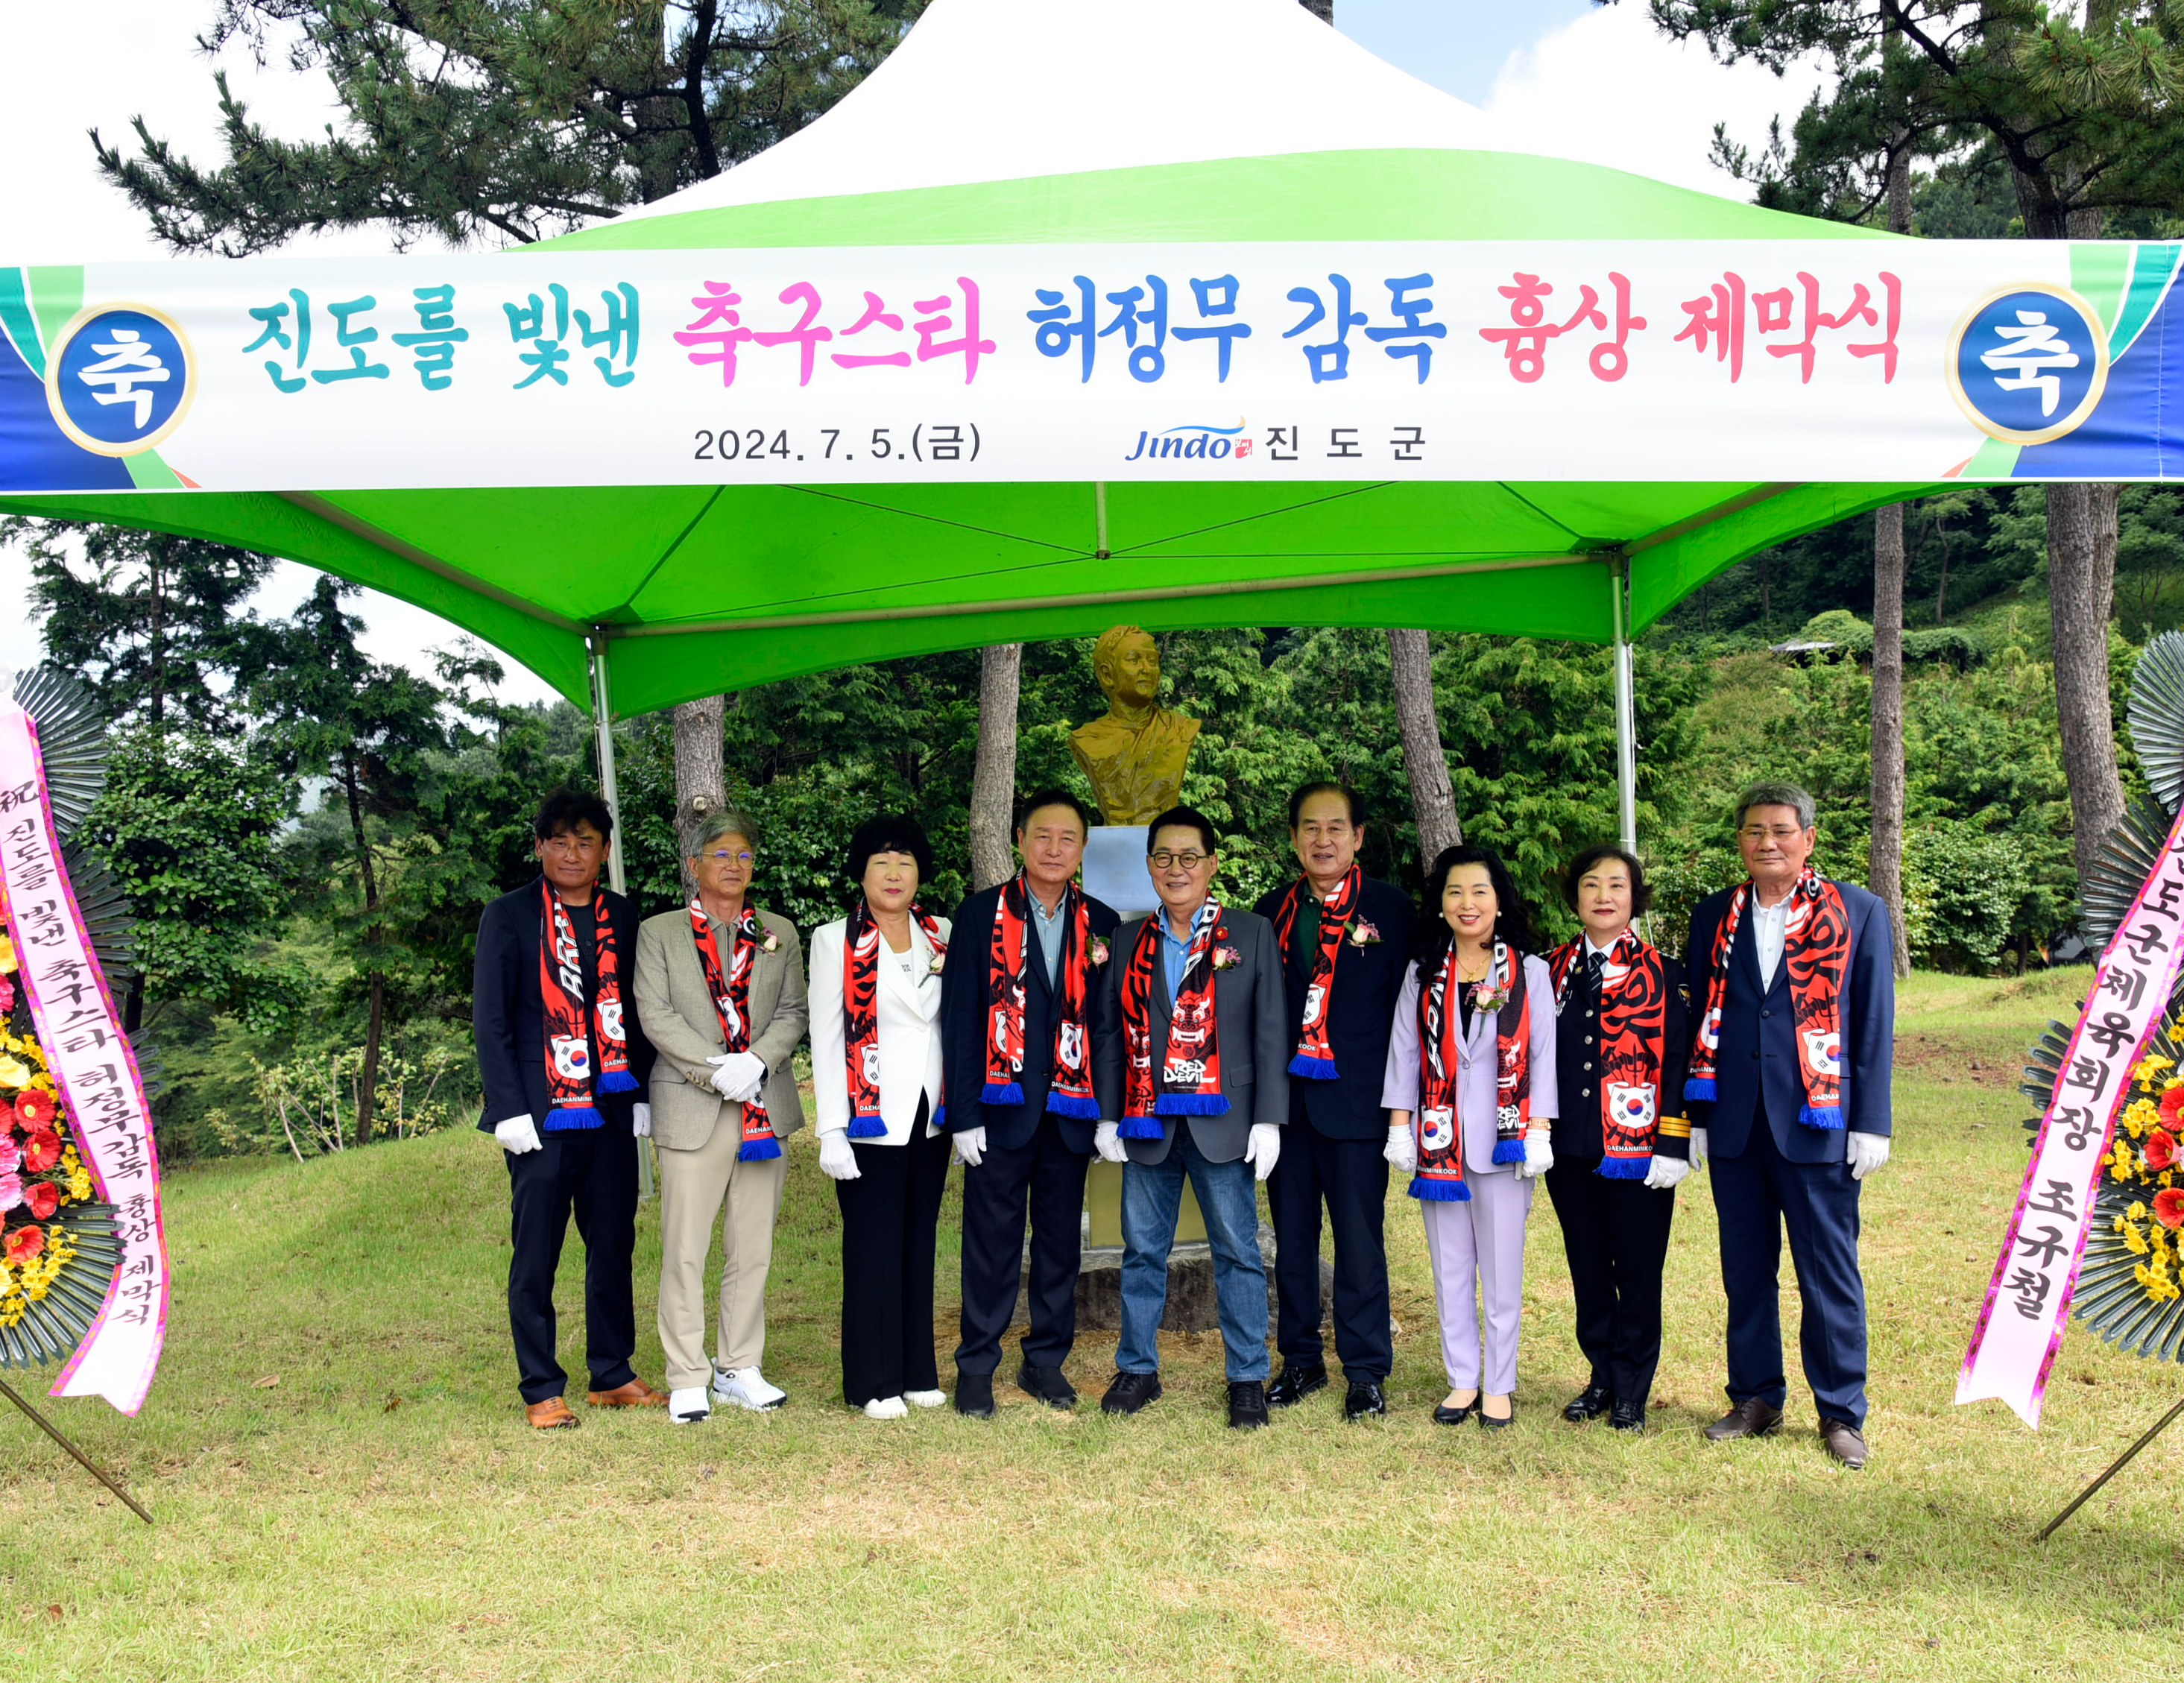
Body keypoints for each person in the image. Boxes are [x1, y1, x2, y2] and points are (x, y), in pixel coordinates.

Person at [1684, 781, 1894, 1470]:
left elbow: (1872, 1022)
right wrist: (1697, 1118)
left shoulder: (1859, 912)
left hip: (1818, 1119)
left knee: (1827, 1272)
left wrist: (1871, 1123)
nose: (1766, 842)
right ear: (1740, 841)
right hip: (1737, 1122)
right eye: (1752, 831)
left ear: (1808, 837)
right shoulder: (1713, 915)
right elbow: (1699, 1024)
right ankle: (1756, 1397)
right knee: (1745, 1271)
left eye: (1780, 830)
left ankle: (1840, 1411)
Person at [1092, 806, 1290, 1429]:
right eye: (1163, 858)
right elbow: (1109, 1035)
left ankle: (1248, 1377)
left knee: (1238, 1250)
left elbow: (1270, 1029)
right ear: (1149, 865)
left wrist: (1269, 1119)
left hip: (1224, 1120)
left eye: (1188, 858)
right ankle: (1138, 1369)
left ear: (1211, 864)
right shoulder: (1127, 939)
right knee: (1142, 1250)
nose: (1175, 870)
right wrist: (1107, 1114)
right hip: (1147, 1121)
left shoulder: (1250, 933)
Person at [472, 788, 663, 1428]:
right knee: (537, 1253)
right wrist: (508, 1110)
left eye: (586, 841)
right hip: (539, 1111)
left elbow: (637, 1013)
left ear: (605, 851)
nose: (573, 853)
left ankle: (611, 1371)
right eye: (560, 841)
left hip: (609, 1108)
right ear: (540, 847)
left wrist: (639, 1094)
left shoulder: (622, 915)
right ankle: (540, 1387)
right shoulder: (509, 915)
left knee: (612, 1240)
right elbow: (491, 1021)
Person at [941, 789, 1120, 1417]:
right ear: (1020, 839)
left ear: (1082, 848)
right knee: (990, 1242)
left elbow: (1107, 1025)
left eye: (1067, 839)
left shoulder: (1102, 921)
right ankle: (977, 1365)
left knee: (1057, 1247)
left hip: (1070, 1112)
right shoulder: (980, 913)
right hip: (1000, 1108)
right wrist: (962, 1114)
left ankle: (1045, 1361)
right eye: (1042, 836)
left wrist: (1108, 1112)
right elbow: (960, 1017)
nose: (1053, 849)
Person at [632, 808, 809, 1426]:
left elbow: (793, 1012)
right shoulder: (659, 933)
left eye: (744, 856)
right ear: (694, 865)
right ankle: (687, 1374)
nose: (733, 866)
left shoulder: (779, 931)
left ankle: (739, 1365)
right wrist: (718, 1070)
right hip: (692, 1105)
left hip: (763, 1106)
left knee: (752, 1245)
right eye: (720, 855)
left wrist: (756, 1064)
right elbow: (655, 1016)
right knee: (685, 1246)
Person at [1252, 783, 1415, 1420]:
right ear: (1293, 837)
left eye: (1336, 829)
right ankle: (1300, 1361)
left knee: (1358, 1241)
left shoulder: (1393, 910)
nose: (1323, 840)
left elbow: (1411, 1012)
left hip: (1357, 1107)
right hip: (1286, 1109)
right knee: (1292, 1241)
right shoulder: (1270, 911)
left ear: (1358, 837)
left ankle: (1366, 1371)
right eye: (1310, 828)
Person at [1383, 845, 1557, 1430]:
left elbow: (1543, 1055)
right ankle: (1462, 1379)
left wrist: (1539, 1129)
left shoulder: (1531, 971)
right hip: (1440, 1141)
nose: (1467, 903)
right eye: (1454, 892)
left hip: (1507, 1142)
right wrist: (1400, 1126)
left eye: (1480, 891)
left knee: (1502, 1271)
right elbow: (1405, 1051)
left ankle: (1499, 1385)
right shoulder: (1424, 972)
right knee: (1449, 1266)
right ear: (1439, 905)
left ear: (1500, 902)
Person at [1541, 844, 1691, 1435]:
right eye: (1591, 885)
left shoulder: (1666, 972)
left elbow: (1680, 1061)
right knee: (1586, 1268)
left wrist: (1674, 1143)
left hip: (1639, 1149)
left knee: (1637, 1270)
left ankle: (1632, 1389)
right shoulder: (1547, 970)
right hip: (1570, 1149)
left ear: (1634, 897)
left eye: (1616, 886)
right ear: (1575, 897)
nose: (1603, 897)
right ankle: (1601, 1375)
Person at [809, 815, 953, 1419]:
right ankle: (872, 1381)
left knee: (919, 1243)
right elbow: (824, 1034)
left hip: (931, 1112)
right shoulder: (832, 938)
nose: (894, 874)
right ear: (861, 872)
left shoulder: (942, 931)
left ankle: (918, 1370)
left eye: (906, 862)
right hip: (869, 1116)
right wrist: (831, 1128)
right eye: (881, 862)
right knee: (872, 1248)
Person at [1067, 625, 1203, 826]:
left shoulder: (1179, 729)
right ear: (1107, 674)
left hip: (1162, 841)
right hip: (1117, 844)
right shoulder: (1087, 740)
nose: (1146, 669)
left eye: (1152, 661)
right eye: (1134, 660)